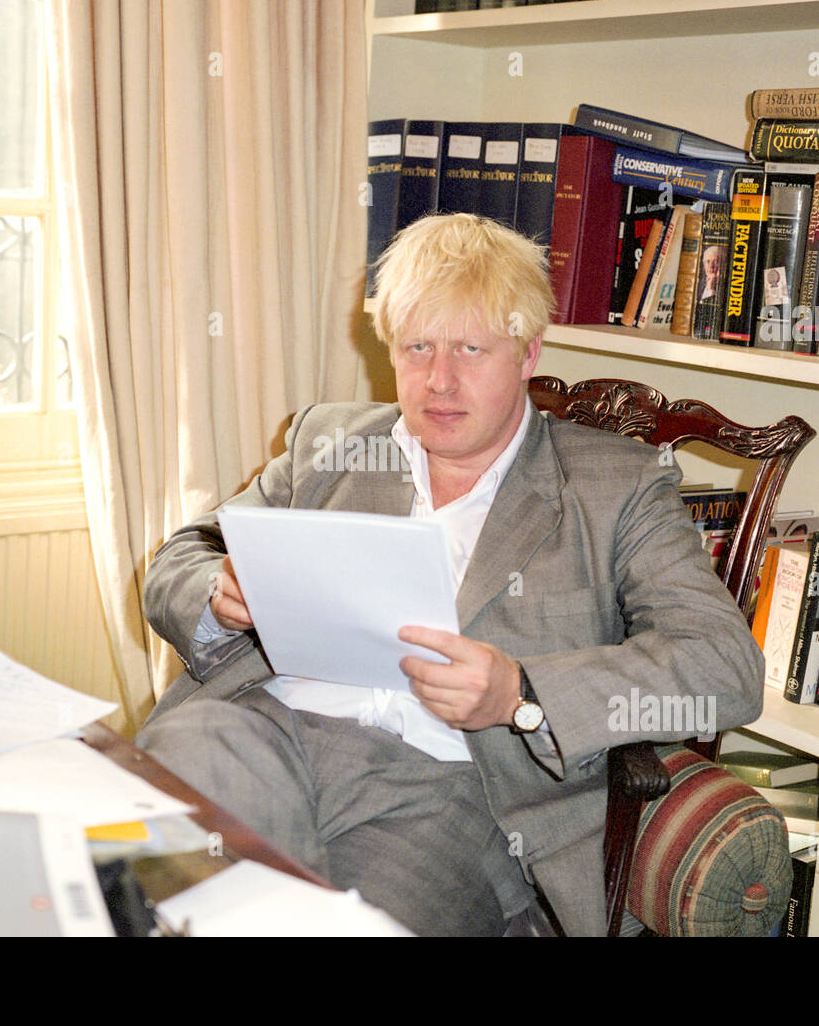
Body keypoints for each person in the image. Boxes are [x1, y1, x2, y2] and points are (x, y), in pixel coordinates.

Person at [135, 213, 763, 936]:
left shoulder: (614, 486)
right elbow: (181, 557)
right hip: (261, 731)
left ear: (528, 351)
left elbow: (725, 664)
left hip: (446, 792)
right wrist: (218, 590)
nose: (440, 379)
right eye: (417, 347)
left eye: (471, 347)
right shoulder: (330, 443)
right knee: (164, 857)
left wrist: (521, 693)